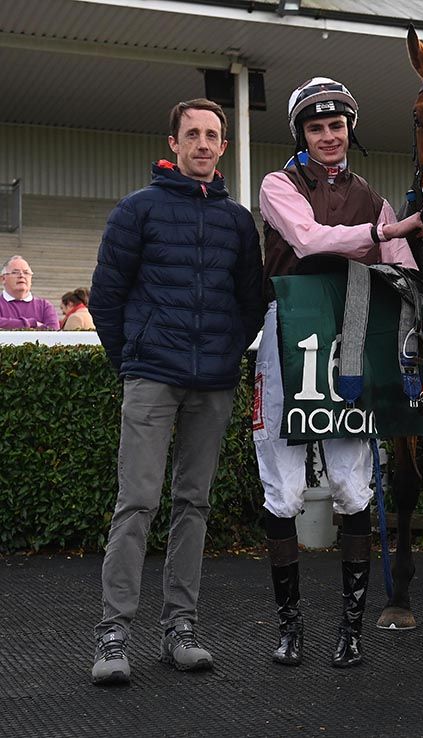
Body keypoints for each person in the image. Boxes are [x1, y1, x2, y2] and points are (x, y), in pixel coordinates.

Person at [89, 98, 263, 685]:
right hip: (151, 379)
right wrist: (133, 359)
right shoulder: (136, 211)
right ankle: (114, 635)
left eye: (214, 135)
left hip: (212, 384)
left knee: (195, 504)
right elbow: (106, 298)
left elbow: (251, 300)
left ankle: (180, 629)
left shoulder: (239, 221)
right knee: (137, 503)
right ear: (174, 143)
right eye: (193, 134)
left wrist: (225, 353)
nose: (204, 144)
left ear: (223, 146)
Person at [255, 77, 423, 669]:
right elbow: (306, 240)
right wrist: (384, 234)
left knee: (354, 484)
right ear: (301, 134)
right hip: (291, 326)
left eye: (337, 125)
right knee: (283, 486)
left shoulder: (373, 196)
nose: (329, 136)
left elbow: (404, 266)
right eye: (316, 127)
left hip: (353, 321)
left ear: (350, 129)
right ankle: (290, 627)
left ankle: (351, 630)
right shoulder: (278, 183)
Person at [0, 255, 59, 330]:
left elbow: (54, 333)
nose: (21, 275)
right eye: (15, 272)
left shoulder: (45, 306)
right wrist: (32, 323)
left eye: (26, 272)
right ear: (3, 279)